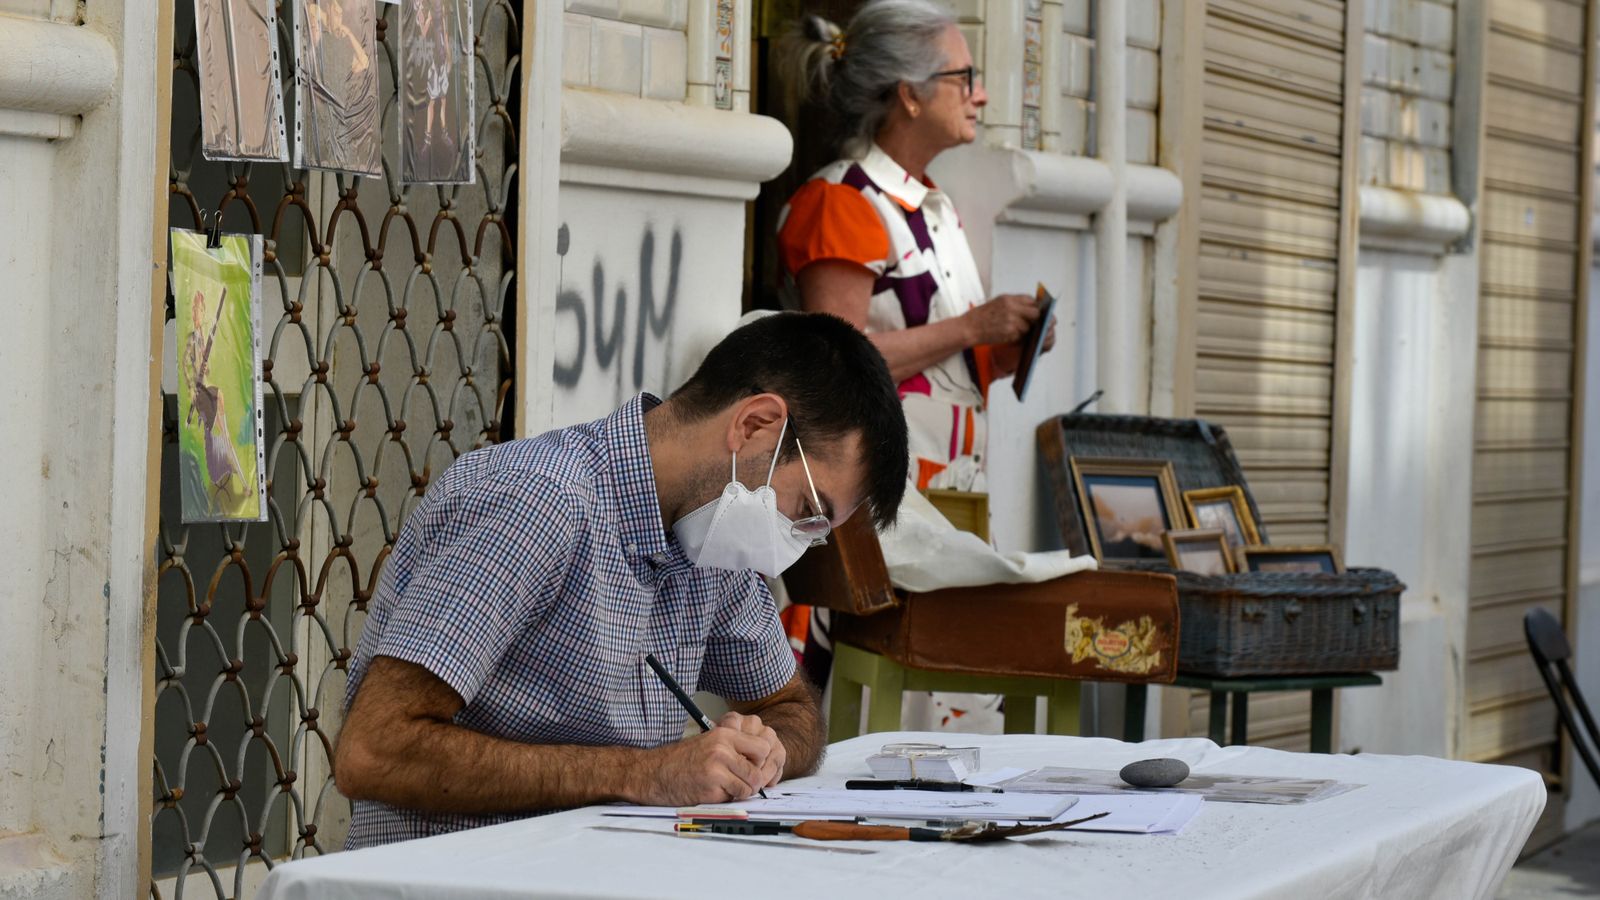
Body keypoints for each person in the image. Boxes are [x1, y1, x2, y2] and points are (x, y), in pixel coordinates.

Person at [333, 312, 909, 848]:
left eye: (816, 531)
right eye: (806, 509)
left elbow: (792, 707)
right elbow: (373, 751)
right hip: (452, 874)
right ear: (755, 425)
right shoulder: (539, 502)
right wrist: (645, 773)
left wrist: (764, 752)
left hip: (599, 865)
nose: (795, 540)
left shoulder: (712, 542)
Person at [778, 0, 1054, 494]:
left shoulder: (930, 205)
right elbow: (836, 367)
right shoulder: (841, 202)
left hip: (951, 491)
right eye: (965, 78)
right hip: (883, 500)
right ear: (909, 95)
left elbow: (948, 366)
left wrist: (1009, 348)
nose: (981, 96)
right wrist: (973, 326)